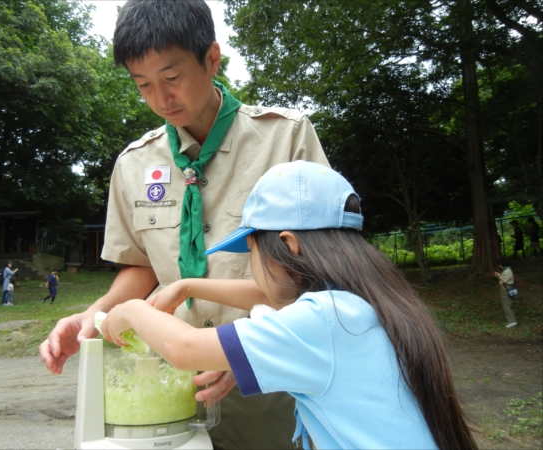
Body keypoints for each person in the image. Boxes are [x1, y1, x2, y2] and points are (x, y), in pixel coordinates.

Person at [38, 1, 329, 448]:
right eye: (143, 85)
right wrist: (90, 316)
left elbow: (318, 272)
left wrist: (246, 351)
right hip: (170, 387)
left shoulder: (284, 138)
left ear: (212, 59)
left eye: (171, 78)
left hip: (272, 384)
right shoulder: (134, 164)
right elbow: (140, 267)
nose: (160, 99)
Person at [100, 161, 478, 450]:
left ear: (288, 244)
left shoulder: (323, 323)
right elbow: (271, 296)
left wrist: (132, 310)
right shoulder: (359, 305)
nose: (252, 268)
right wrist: (185, 285)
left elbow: (183, 349)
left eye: (250, 252)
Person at [494, 257, 518, 328]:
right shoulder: (506, 270)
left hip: (506, 287)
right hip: (506, 287)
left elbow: (504, 281)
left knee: (506, 304)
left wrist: (499, 276)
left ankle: (512, 321)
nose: (499, 266)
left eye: (499, 264)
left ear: (502, 264)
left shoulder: (507, 271)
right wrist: (499, 276)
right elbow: (503, 279)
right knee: (508, 303)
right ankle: (512, 319)